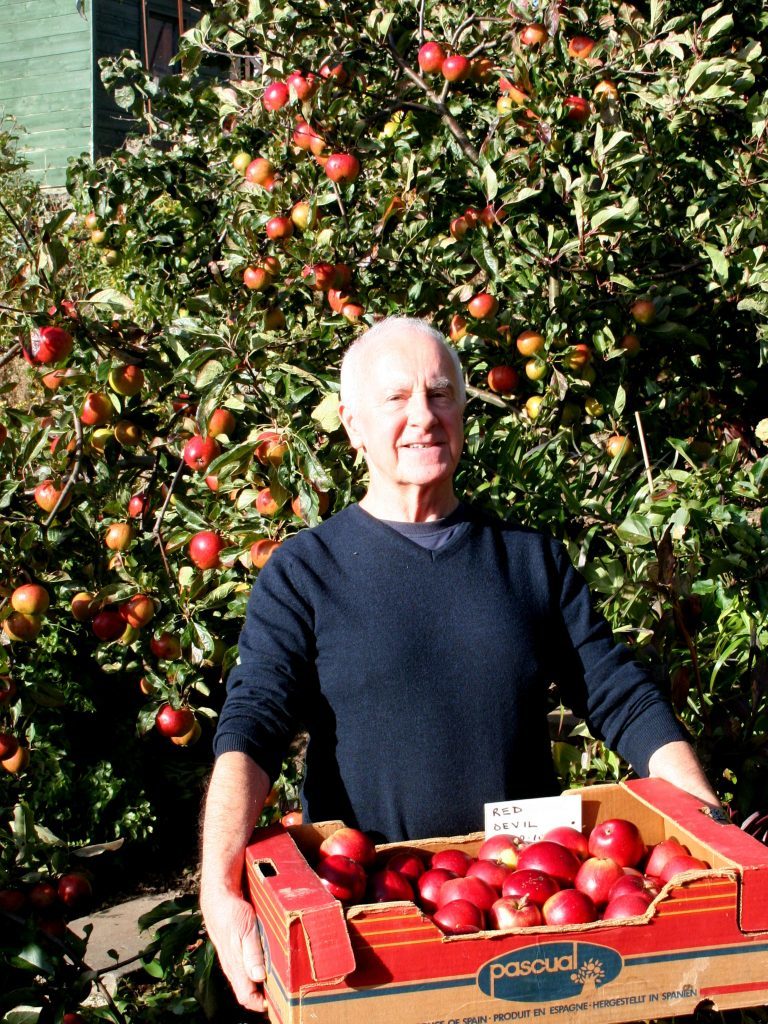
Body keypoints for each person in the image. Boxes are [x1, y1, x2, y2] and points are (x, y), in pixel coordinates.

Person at [200, 316, 721, 1013]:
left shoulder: (527, 560)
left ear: (465, 413)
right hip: (376, 933)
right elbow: (253, 725)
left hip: (531, 931)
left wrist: (708, 826)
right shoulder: (305, 573)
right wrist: (219, 888)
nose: (424, 417)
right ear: (352, 425)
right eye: (397, 400)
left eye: (441, 395)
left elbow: (620, 695)